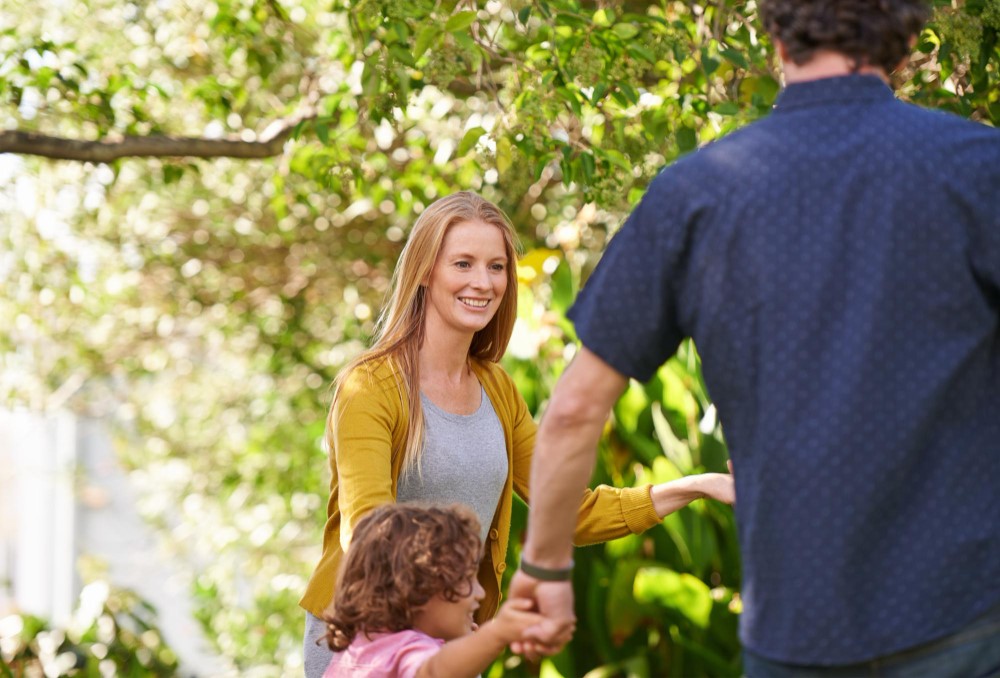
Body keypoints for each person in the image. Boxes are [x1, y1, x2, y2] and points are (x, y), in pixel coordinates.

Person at [511, 0, 1000, 675]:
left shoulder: (696, 192)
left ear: (773, 36)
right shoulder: (980, 167)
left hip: (794, 635)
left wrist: (547, 566)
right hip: (967, 619)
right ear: (911, 38)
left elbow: (572, 410)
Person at [299, 191, 734, 676]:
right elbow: (369, 530)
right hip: (368, 643)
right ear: (424, 271)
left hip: (452, 637)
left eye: (496, 267)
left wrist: (698, 485)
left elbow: (566, 510)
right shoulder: (371, 388)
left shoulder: (497, 388)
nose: (482, 283)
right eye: (462, 264)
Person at [320, 503, 542, 678]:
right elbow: (433, 672)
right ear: (417, 589)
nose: (480, 594)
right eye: (465, 579)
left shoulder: (363, 646)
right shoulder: (403, 651)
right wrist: (496, 635)